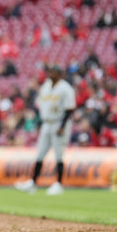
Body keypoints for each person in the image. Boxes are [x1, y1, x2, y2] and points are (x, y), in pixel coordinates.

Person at [16, 65, 75, 195]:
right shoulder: (46, 86)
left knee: (59, 154)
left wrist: (62, 126)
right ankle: (33, 182)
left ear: (60, 74)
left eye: (54, 72)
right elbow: (40, 105)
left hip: (59, 123)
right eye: (51, 72)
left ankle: (58, 183)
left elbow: (69, 110)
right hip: (46, 122)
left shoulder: (66, 88)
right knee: (40, 153)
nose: (51, 74)